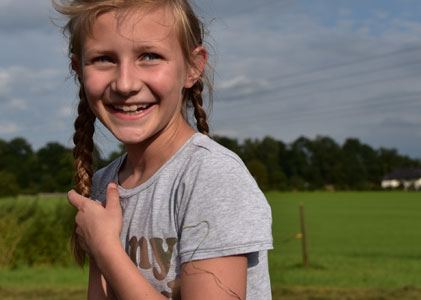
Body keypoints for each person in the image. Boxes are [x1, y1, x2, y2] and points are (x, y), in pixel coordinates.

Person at [53, 0, 273, 299]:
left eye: (149, 56)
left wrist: (105, 249)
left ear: (193, 67)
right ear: (78, 69)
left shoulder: (212, 178)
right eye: (104, 59)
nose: (125, 83)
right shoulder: (106, 184)